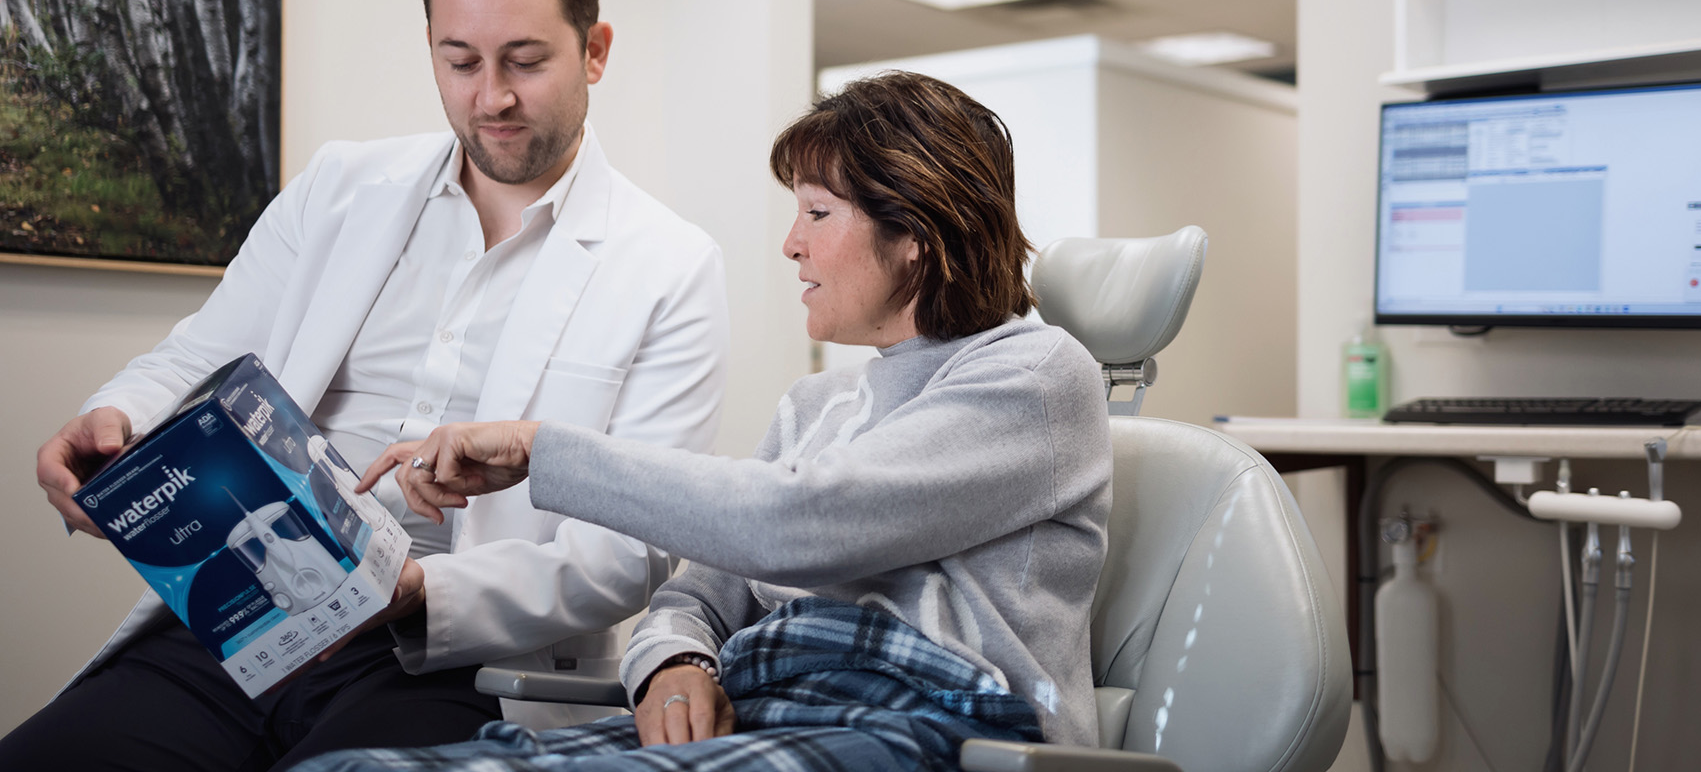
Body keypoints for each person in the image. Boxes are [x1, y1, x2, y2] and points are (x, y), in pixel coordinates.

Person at [2, 0, 730, 772]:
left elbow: (633, 551)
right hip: (242, 630)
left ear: (596, 50)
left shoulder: (671, 264)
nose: (489, 96)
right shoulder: (339, 187)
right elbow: (199, 354)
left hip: (450, 661)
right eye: (459, 60)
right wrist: (113, 417)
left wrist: (417, 591)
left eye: (525, 62)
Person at [299, 71, 1113, 772]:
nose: (791, 244)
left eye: (819, 215)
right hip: (767, 707)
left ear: (917, 236)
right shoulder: (816, 406)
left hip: (929, 724)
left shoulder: (1037, 378)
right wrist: (674, 662)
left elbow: (797, 522)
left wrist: (537, 449)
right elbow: (700, 592)